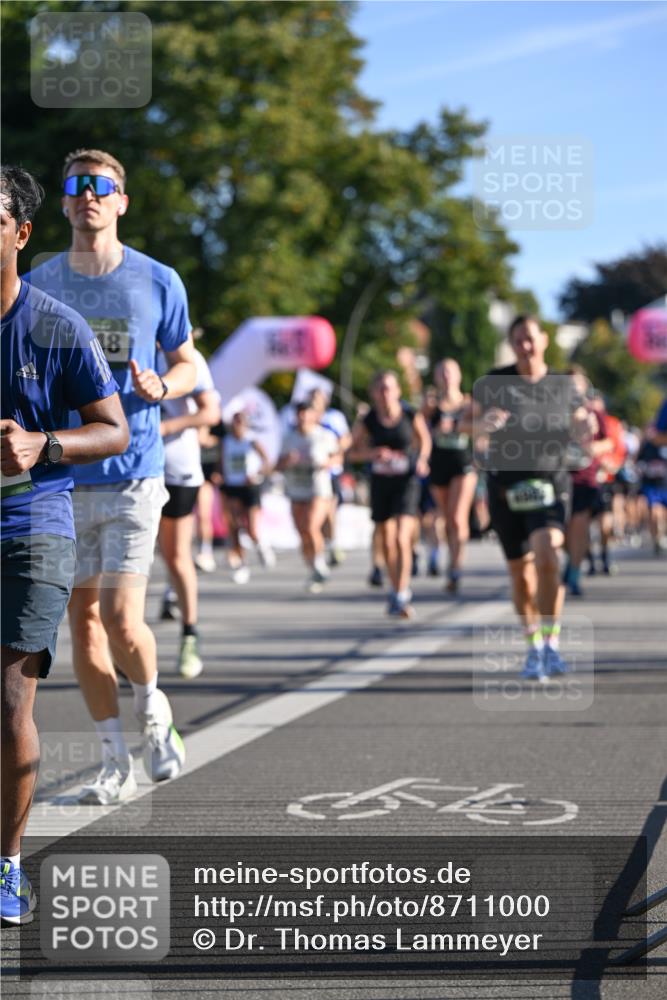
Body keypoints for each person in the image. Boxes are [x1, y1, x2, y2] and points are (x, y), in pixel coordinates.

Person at [27, 149, 196, 805]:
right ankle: (112, 760)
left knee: (123, 619)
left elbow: (187, 362)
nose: (86, 195)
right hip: (64, 475)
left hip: (133, 473)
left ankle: (154, 709)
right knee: (83, 624)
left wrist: (162, 383)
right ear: (65, 203)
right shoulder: (40, 281)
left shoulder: (157, 280)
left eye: (101, 186)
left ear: (121, 200)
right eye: (75, 186)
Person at [1, 165, 129, 923]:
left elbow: (110, 429)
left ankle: (6, 862)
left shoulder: (54, 325)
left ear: (20, 233)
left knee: (9, 697)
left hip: (31, 527)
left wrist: (41, 443)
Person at [474, 316, 592, 680]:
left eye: (530, 338)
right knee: (520, 575)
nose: (525, 346)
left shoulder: (563, 384)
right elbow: (468, 424)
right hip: (506, 487)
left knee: (547, 557)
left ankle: (551, 643)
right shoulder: (495, 381)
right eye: (518, 340)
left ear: (544, 339)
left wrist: (586, 426)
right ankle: (533, 646)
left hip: (550, 482)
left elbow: (583, 419)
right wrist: (483, 424)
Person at [157, 347, 220, 677]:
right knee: (133, 561)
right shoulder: (123, 346)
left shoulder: (189, 358)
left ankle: (189, 633)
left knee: (176, 555)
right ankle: (126, 642)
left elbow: (211, 413)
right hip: (136, 471)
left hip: (179, 470)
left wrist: (169, 427)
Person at [349, 370, 431, 618]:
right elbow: (352, 452)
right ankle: (394, 589)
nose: (385, 394)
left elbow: (424, 441)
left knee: (401, 538)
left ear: (397, 391)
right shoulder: (368, 420)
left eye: (389, 388)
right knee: (386, 540)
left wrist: (422, 460)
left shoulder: (409, 414)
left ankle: (402, 592)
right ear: (374, 393)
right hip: (381, 482)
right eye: (380, 389)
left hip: (406, 481)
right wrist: (372, 454)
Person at [277, 400, 341, 593]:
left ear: (314, 415)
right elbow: (278, 463)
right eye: (300, 413)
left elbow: (338, 457)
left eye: (306, 413)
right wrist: (287, 461)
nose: (303, 417)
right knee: (302, 531)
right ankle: (312, 567)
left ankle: (320, 563)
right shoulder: (288, 438)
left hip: (318, 487)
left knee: (311, 525)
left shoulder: (324, 435)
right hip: (296, 487)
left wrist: (327, 463)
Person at [428, 358, 477, 593]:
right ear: (437, 377)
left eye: (450, 371)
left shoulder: (468, 404)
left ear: (458, 376)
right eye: (442, 372)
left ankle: (456, 568)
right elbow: (418, 432)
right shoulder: (430, 405)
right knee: (447, 519)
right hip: (438, 464)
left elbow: (481, 428)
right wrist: (433, 430)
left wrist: (459, 427)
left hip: (463, 464)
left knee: (458, 518)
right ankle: (449, 558)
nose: (446, 376)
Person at [564, 368, 613, 597]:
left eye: (577, 385)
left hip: (584, 478)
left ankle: (574, 573)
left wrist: (595, 448)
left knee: (579, 527)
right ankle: (569, 560)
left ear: (585, 387)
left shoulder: (594, 413)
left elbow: (609, 442)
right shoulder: (553, 412)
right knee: (561, 531)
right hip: (558, 477)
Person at [220, 409, 274, 583]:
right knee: (234, 526)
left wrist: (257, 474)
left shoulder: (252, 441)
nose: (237, 426)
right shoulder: (226, 442)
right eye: (235, 422)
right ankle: (241, 564)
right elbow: (220, 463)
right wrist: (218, 474)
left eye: (240, 422)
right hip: (232, 486)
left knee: (251, 528)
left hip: (249, 486)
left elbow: (267, 462)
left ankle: (261, 546)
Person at [308, 387, 351, 567]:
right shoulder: (306, 418)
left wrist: (335, 456)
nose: (315, 402)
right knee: (317, 516)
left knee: (330, 511)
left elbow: (345, 439)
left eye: (318, 398)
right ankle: (323, 545)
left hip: (331, 472)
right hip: (311, 474)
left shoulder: (334, 418)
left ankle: (332, 545)